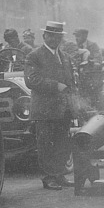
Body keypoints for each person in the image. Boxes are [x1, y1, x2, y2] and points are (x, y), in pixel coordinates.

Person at [24, 21, 75, 191]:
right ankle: (49, 177)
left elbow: (70, 82)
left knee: (62, 143)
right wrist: (56, 86)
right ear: (44, 36)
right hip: (45, 109)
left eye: (58, 36)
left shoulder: (65, 57)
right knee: (46, 145)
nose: (54, 39)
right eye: (51, 35)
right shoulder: (34, 56)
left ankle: (59, 175)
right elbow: (32, 80)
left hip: (63, 109)